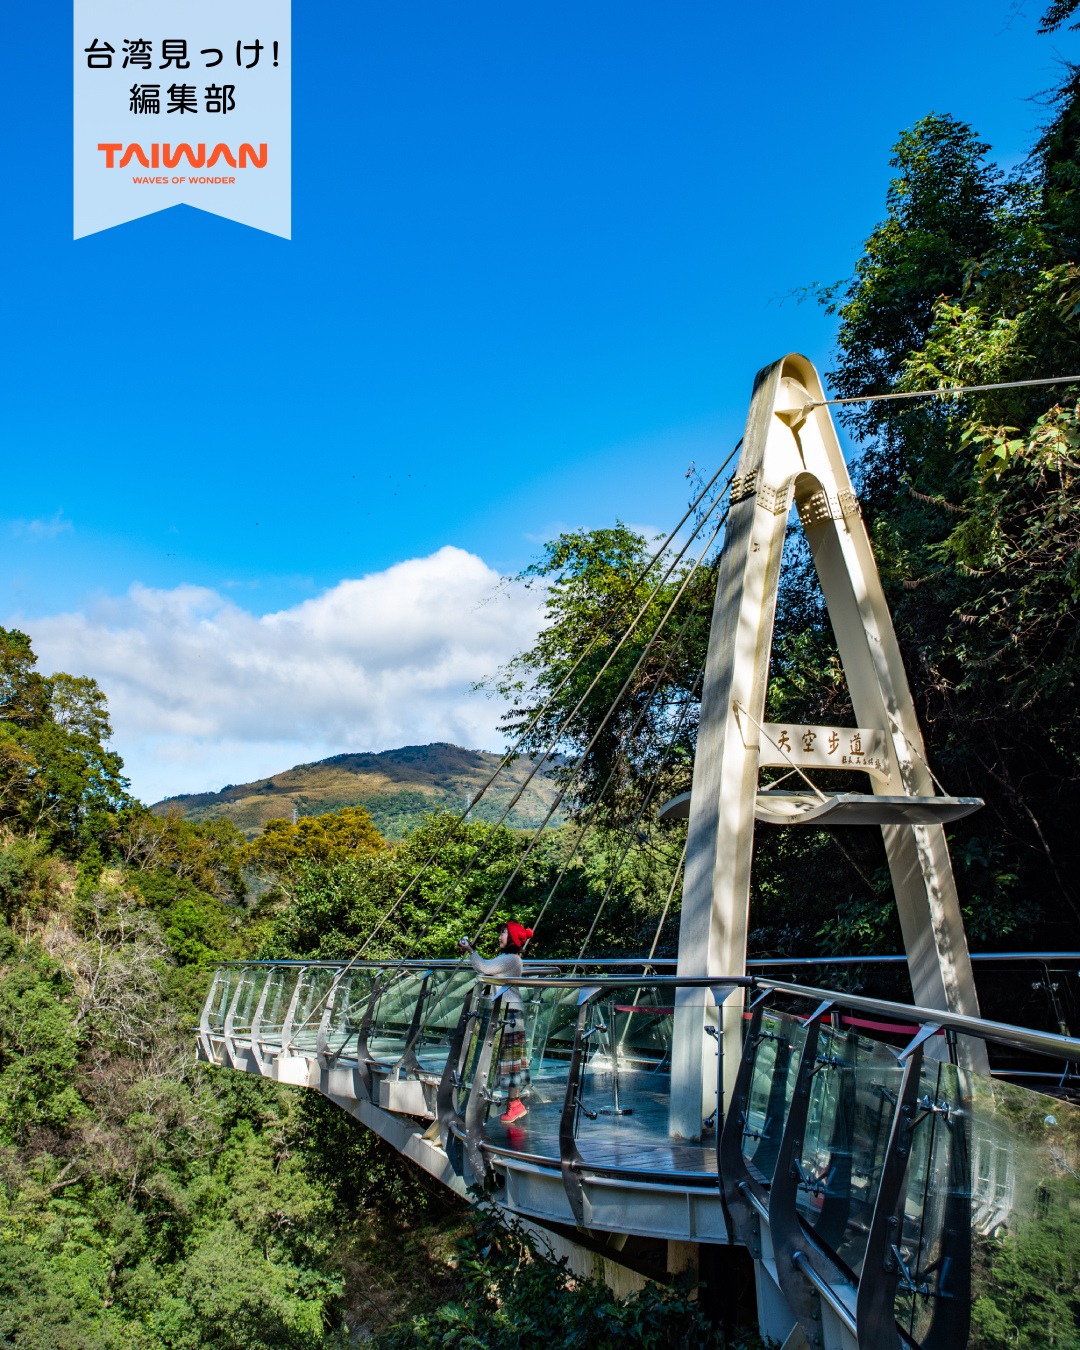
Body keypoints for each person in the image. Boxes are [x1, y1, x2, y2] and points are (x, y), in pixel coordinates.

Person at [458, 921, 534, 1124]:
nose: (500, 937)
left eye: (503, 933)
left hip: (510, 1012)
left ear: (512, 939)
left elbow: (484, 967)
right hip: (506, 1011)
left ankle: (515, 1103)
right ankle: (513, 1103)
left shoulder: (510, 959)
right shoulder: (508, 958)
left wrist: (469, 950)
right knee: (510, 1059)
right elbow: (486, 972)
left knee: (511, 1060)